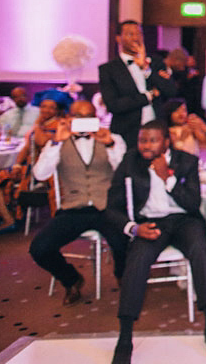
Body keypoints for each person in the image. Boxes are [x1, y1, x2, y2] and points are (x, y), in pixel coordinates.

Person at [106, 120, 206, 364]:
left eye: (152, 140)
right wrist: (134, 228)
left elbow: (192, 203)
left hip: (183, 221)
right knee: (136, 261)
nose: (146, 146)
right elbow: (112, 207)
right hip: (149, 224)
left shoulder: (186, 161)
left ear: (166, 142)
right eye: (142, 140)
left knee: (201, 250)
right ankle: (125, 336)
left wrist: (166, 177)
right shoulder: (130, 161)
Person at [29, 100, 128, 305]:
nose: (84, 122)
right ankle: (71, 279)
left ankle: (122, 275)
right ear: (68, 118)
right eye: (78, 117)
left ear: (97, 118)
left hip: (107, 206)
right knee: (39, 248)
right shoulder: (56, 142)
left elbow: (126, 174)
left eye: (89, 117)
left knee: (123, 240)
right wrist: (56, 143)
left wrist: (109, 145)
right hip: (74, 208)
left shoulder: (113, 138)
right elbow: (40, 174)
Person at [98, 20, 177, 149]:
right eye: (130, 34)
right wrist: (148, 96)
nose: (136, 38)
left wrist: (146, 69)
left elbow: (171, 91)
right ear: (119, 38)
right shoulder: (108, 69)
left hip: (157, 128)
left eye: (139, 34)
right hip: (126, 131)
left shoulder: (155, 62)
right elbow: (114, 105)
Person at [0, 97, 60, 233]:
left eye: (51, 107)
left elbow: (41, 141)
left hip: (43, 171)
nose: (46, 110)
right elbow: (26, 148)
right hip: (26, 166)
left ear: (56, 111)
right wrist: (17, 165)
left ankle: (11, 217)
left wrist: (37, 124)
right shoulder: (40, 125)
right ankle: (7, 218)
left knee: (6, 182)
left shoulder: (59, 126)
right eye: (43, 107)